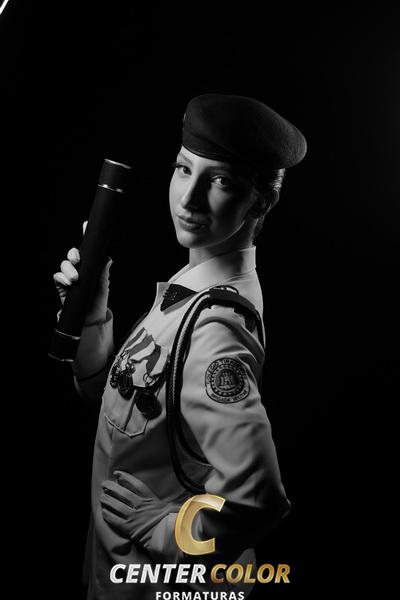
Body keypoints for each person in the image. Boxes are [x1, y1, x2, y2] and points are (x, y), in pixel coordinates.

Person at [53, 93, 307, 599]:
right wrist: (94, 313)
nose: (188, 199)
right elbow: (123, 410)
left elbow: (258, 500)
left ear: (261, 202)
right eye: (183, 169)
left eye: (220, 181)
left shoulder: (215, 329)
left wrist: (168, 529)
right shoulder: (190, 290)